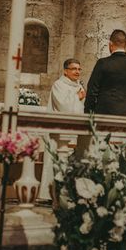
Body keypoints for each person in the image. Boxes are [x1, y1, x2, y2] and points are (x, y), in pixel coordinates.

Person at [38, 58, 86, 200]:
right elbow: (63, 107)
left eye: (79, 69)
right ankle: (52, 194)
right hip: (59, 132)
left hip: (75, 131)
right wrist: (77, 96)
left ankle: (70, 193)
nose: (77, 72)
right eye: (73, 69)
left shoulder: (79, 86)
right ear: (65, 71)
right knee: (56, 161)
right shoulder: (59, 85)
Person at [84, 29, 126, 118]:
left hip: (104, 114)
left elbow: (92, 91)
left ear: (110, 44)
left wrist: (89, 112)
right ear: (125, 45)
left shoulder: (103, 63)